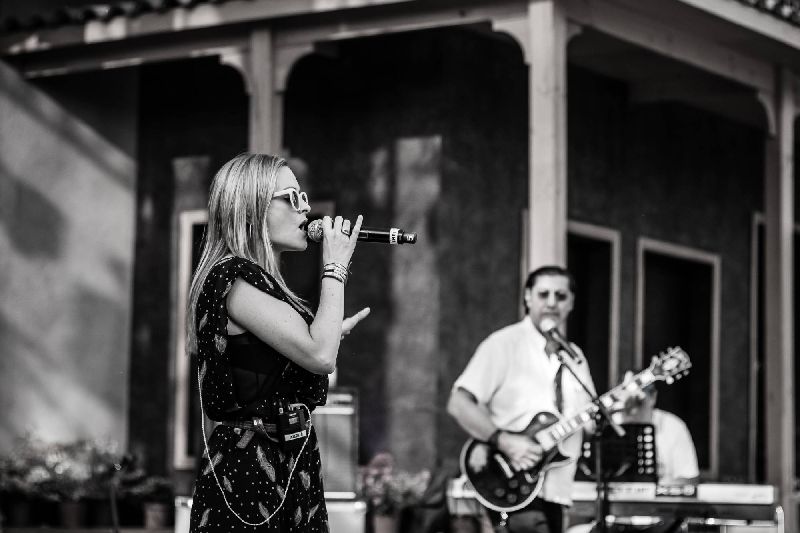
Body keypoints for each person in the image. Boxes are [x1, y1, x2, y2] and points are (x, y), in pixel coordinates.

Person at [186, 153, 370, 532]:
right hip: (251, 468)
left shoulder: (258, 281)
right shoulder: (233, 277)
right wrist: (335, 266)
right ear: (251, 208)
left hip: (285, 458)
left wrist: (329, 331)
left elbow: (275, 358)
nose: (306, 209)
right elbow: (320, 355)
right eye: (292, 198)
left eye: (305, 198)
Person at [447, 265, 597, 533]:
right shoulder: (503, 344)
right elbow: (459, 403)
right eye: (544, 294)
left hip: (558, 489)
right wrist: (504, 441)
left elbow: (589, 422)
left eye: (561, 296)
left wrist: (622, 405)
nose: (552, 303)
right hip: (511, 482)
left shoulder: (575, 357)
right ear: (528, 297)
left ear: (571, 302)